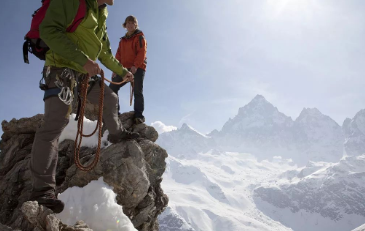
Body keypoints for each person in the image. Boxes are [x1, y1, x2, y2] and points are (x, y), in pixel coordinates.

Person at [29, 0, 140, 214]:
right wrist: (83, 61)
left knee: (109, 99)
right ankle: (42, 191)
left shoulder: (101, 15)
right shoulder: (73, 2)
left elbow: (105, 53)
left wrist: (123, 70)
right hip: (62, 69)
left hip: (84, 75)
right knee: (54, 124)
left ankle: (116, 134)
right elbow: (49, 30)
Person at [109, 15, 147, 124]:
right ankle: (116, 113)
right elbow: (118, 55)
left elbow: (142, 52)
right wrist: (115, 69)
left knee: (137, 91)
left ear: (136, 24)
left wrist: (135, 66)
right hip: (124, 69)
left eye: (132, 23)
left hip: (138, 67)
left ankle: (139, 116)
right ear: (125, 25)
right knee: (112, 87)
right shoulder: (122, 41)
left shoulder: (140, 37)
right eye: (128, 23)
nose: (130, 25)